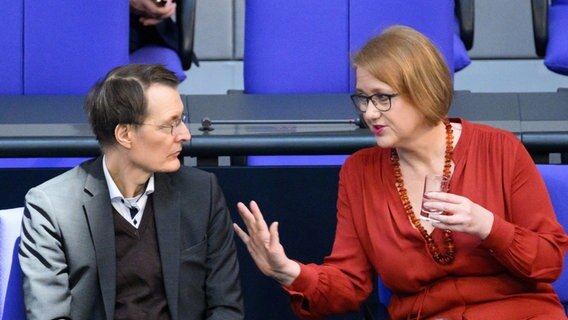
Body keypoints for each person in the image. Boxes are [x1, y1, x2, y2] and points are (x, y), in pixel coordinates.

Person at [234, 26, 568, 319]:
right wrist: (288, 271)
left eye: (382, 98)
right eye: (363, 99)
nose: (370, 113)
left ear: (424, 91)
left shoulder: (500, 149)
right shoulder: (360, 172)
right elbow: (349, 285)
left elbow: (548, 263)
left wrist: (489, 226)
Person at [19, 64, 244, 320]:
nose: (185, 134)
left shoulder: (202, 193)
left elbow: (226, 309)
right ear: (125, 134)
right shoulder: (51, 207)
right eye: (169, 125)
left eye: (181, 120)